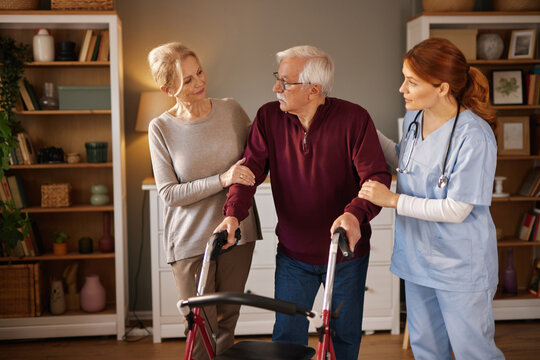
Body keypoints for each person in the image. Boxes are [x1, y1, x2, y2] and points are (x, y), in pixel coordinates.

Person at [214, 45, 391, 360]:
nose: (275, 88)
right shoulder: (268, 118)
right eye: (276, 79)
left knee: (343, 342)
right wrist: (232, 217)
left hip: (345, 256)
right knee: (286, 342)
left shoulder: (354, 119)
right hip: (294, 257)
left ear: (314, 90)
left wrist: (354, 215)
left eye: (285, 82)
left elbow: (375, 178)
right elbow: (247, 173)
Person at [358, 38, 505, 360]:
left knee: (473, 352)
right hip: (418, 258)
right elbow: (404, 160)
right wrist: (362, 125)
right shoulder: (415, 118)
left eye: (411, 82)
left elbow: (457, 208)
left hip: (459, 265)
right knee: (426, 350)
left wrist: (392, 200)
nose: (402, 89)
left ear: (442, 87)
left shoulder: (474, 135)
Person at [146, 42, 260, 359]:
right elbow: (168, 193)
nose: (200, 83)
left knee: (226, 327)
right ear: (168, 89)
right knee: (199, 329)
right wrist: (222, 179)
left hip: (238, 233)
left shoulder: (232, 110)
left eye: (199, 72)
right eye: (188, 80)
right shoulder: (161, 129)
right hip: (190, 240)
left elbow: (259, 157)